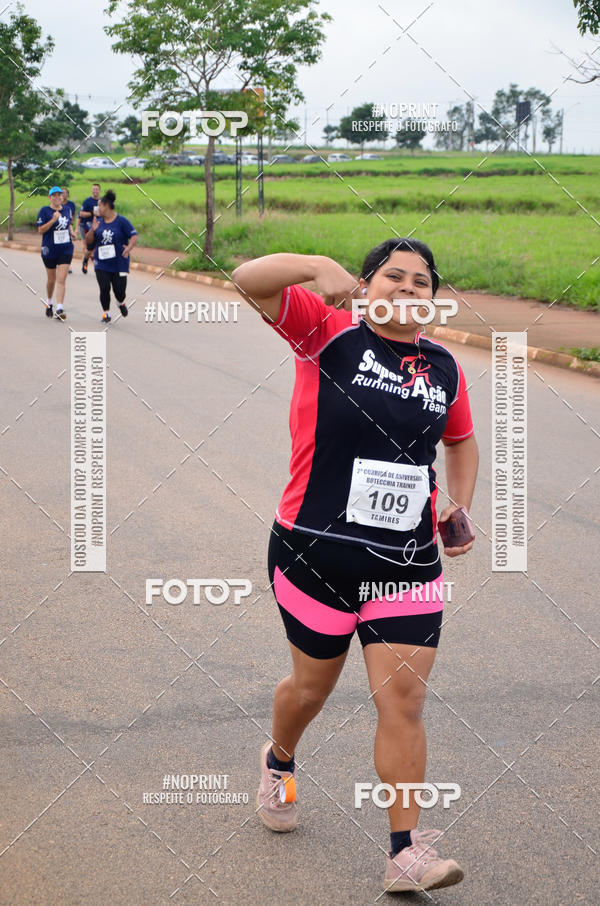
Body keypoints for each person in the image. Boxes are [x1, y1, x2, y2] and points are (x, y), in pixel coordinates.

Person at [232, 239, 479, 894]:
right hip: (315, 549)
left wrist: (459, 504)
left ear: (433, 297)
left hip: (406, 561)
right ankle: (279, 759)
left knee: (404, 697)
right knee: (309, 691)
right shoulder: (327, 332)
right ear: (365, 286)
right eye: (391, 276)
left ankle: (406, 853)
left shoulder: (444, 368)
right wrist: (315, 269)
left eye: (421, 280)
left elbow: (460, 440)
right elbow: (247, 276)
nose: (406, 287)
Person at [85, 189, 138, 323]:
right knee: (104, 288)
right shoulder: (98, 221)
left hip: (120, 262)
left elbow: (134, 235)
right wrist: (92, 229)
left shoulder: (122, 221)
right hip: (101, 262)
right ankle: (106, 313)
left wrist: (129, 247)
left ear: (106, 206)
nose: (98, 208)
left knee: (120, 291)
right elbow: (89, 240)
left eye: (100, 205)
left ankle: (120, 302)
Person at [37, 185, 77, 320]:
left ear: (62, 197)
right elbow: (40, 230)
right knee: (51, 280)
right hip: (49, 249)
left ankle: (59, 308)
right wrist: (53, 220)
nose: (57, 197)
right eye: (54, 195)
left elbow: (68, 224)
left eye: (59, 195)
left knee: (61, 279)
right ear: (50, 198)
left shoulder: (67, 209)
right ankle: (49, 302)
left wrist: (71, 232)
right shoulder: (44, 211)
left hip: (65, 248)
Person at [79, 182, 101, 273]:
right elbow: (80, 214)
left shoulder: (103, 201)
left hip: (100, 227)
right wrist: (92, 213)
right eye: (94, 189)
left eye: (97, 189)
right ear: (91, 190)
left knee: (99, 246)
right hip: (88, 227)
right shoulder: (87, 201)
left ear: (100, 191)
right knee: (89, 248)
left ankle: (99, 265)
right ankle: (85, 261)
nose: (95, 191)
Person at [61, 188, 76, 274]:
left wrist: (72, 231)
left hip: (67, 229)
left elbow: (72, 215)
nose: (64, 194)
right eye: (62, 193)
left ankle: (69, 265)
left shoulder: (70, 206)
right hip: (58, 231)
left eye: (65, 193)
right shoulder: (54, 206)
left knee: (68, 247)